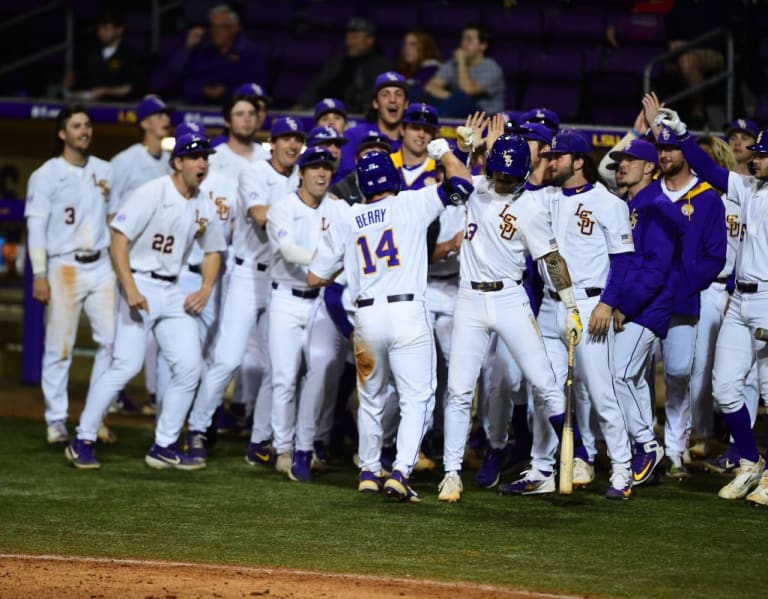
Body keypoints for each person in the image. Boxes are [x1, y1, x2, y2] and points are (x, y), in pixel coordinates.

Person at [307, 143, 474, 502]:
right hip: (407, 313)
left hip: (367, 316)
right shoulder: (412, 202)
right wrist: (443, 151)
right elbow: (463, 184)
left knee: (370, 398)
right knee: (417, 397)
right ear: (393, 177)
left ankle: (368, 471)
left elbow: (313, 278)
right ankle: (400, 471)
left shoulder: (347, 217)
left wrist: (349, 259)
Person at [436, 117, 588, 502]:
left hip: (509, 298)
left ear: (522, 174)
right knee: (458, 389)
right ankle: (451, 473)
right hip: (469, 298)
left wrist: (570, 305)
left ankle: (581, 455)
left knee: (544, 382)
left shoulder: (532, 207)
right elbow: (447, 162)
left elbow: (551, 260)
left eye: (509, 175)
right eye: (497, 173)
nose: (501, 181)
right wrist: (465, 145)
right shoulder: (474, 187)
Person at [65, 130, 226, 470]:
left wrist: (206, 287)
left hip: (173, 290)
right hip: (139, 284)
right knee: (126, 364)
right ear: (178, 161)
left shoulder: (203, 202)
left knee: (189, 367)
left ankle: (164, 444)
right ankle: (83, 438)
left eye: (206, 158)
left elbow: (213, 250)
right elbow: (119, 239)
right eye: (195, 157)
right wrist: (130, 287)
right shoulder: (153, 192)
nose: (202, 163)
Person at [657, 107, 768, 505]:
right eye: (754, 154)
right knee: (724, 388)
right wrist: (684, 134)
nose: (754, 158)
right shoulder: (749, 188)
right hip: (740, 299)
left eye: (761, 155)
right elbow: (709, 170)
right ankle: (750, 461)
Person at [191, 117, 305, 468]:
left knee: (279, 366)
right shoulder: (255, 172)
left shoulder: (303, 176)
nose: (291, 145)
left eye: (296, 139)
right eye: (284, 138)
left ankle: (259, 439)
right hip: (245, 274)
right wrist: (302, 212)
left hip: (283, 278)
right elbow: (259, 215)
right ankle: (197, 429)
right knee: (227, 359)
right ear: (272, 142)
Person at [25, 105, 115, 446]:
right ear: (62, 133)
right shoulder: (46, 174)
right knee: (59, 347)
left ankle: (96, 417)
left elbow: (115, 218)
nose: (85, 130)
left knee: (112, 343)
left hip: (102, 264)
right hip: (64, 265)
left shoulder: (106, 170)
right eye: (77, 125)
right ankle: (56, 420)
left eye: (88, 124)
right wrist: (39, 273)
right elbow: (35, 227)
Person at [265, 147, 350, 482]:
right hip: (286, 299)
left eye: (327, 167)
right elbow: (288, 251)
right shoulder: (282, 209)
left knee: (321, 375)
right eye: (314, 167)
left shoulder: (340, 208)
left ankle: (308, 444)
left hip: (323, 301)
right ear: (300, 173)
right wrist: (327, 258)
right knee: (284, 377)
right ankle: (282, 448)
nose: (321, 173)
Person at [608, 138, 684, 486]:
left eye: (632, 159)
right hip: (634, 304)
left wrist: (624, 305)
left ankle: (647, 445)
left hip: (647, 307)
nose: (623, 165)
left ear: (650, 167)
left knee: (618, 374)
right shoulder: (634, 202)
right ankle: (643, 452)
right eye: (621, 160)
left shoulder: (657, 205)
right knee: (634, 381)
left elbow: (655, 268)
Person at [108, 94, 173, 416]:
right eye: (159, 116)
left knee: (152, 335)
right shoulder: (125, 160)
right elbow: (110, 213)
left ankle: (151, 395)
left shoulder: (167, 161)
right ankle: (113, 393)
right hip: (127, 257)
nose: (165, 120)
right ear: (145, 122)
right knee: (120, 332)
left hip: (156, 259)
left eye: (166, 115)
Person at [156, 5, 267, 105]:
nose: (216, 31)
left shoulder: (250, 53)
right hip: (197, 108)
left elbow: (257, 89)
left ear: (235, 28)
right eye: (213, 27)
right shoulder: (199, 50)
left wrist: (226, 91)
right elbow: (169, 82)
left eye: (222, 27)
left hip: (236, 108)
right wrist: (187, 49)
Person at [296, 18, 391, 115]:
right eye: (348, 38)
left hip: (362, 115)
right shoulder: (338, 61)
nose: (350, 42)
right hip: (333, 111)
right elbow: (318, 86)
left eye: (355, 38)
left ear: (370, 40)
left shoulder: (380, 65)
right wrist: (303, 104)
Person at [423, 24, 505, 118]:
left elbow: (466, 91)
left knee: (460, 98)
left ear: (483, 45)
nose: (463, 43)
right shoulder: (452, 64)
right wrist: (450, 97)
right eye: (463, 39)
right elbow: (430, 86)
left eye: (469, 39)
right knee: (419, 94)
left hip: (485, 116)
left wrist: (461, 62)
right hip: (458, 109)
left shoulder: (492, 68)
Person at [339, 71, 409, 180]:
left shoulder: (413, 141)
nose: (393, 100)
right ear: (375, 103)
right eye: (385, 94)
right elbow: (347, 177)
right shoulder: (354, 137)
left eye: (398, 94)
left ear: (406, 103)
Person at [63, 8, 143, 102]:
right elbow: (80, 78)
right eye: (99, 28)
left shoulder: (131, 55)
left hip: (119, 107)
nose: (101, 32)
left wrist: (105, 91)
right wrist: (71, 80)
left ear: (119, 30)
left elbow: (131, 88)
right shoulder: (90, 53)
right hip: (89, 105)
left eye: (106, 28)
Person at [208, 83, 271, 163]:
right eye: (241, 113)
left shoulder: (262, 151)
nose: (260, 114)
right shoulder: (216, 149)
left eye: (263, 109)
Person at [391, 103, 441, 190]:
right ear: (402, 130)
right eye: (415, 128)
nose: (421, 135)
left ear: (433, 135)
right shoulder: (387, 164)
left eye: (427, 130)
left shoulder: (440, 169)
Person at [396, 30, 441, 99]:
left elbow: (417, 91)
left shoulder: (433, 68)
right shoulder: (403, 68)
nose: (407, 48)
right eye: (405, 44)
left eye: (413, 44)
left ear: (425, 47)